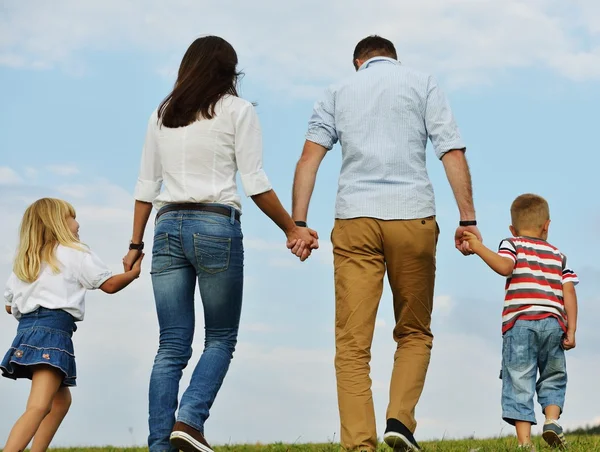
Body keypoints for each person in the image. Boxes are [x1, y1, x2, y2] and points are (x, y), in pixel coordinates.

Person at [122, 36, 318, 452]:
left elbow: (145, 185)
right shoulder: (237, 111)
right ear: (230, 73)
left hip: (167, 226)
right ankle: (190, 420)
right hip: (214, 225)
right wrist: (292, 229)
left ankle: (160, 444)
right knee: (220, 338)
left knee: (170, 345)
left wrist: (135, 243)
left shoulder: (163, 114)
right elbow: (256, 182)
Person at [290, 35, 481, 451]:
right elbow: (451, 150)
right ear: (394, 58)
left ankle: (360, 444)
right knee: (414, 332)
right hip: (412, 215)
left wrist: (298, 224)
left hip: (355, 219)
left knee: (352, 344)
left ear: (358, 61)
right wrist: (468, 218)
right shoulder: (422, 82)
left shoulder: (337, 92)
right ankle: (400, 420)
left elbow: (309, 160)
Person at [1, 198, 143, 452]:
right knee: (39, 406)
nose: (78, 224)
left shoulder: (26, 261)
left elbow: (9, 306)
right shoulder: (75, 252)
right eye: (72, 217)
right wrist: (132, 274)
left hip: (26, 333)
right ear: (57, 223)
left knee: (60, 401)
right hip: (53, 334)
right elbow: (108, 285)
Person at [462, 194, 578, 450]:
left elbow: (505, 267)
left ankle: (525, 443)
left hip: (520, 323)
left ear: (512, 229)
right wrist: (571, 329)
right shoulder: (559, 256)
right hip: (553, 324)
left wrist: (479, 248)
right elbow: (569, 291)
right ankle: (551, 420)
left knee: (519, 380)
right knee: (553, 375)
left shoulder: (512, 244)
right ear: (547, 225)